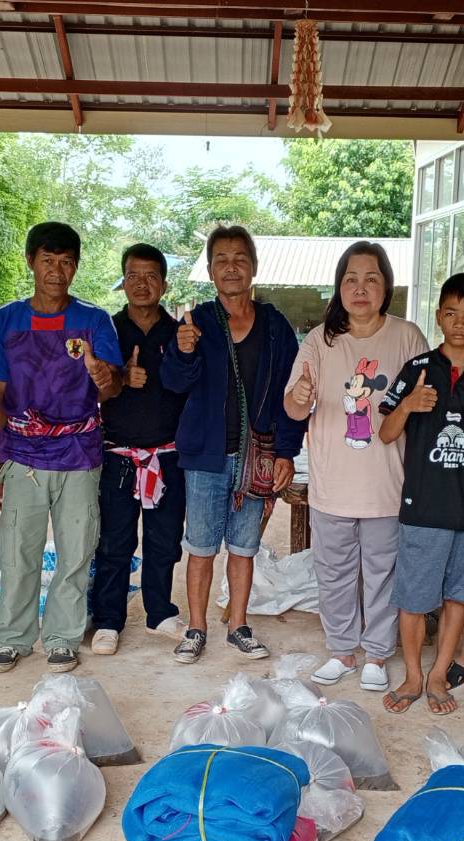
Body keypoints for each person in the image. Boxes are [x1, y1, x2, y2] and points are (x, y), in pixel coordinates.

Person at [283, 242, 428, 693]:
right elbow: (293, 406)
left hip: (386, 486)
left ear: (386, 287)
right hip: (333, 486)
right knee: (334, 573)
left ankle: (377, 655)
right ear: (339, 287)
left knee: (383, 573)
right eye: (351, 279)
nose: (360, 288)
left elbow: (427, 405)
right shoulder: (319, 340)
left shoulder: (407, 337)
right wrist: (300, 397)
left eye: (371, 279)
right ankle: (342, 651)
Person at [0, 221, 123, 675]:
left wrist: (104, 377)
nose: (56, 272)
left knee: (76, 549)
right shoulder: (7, 320)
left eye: (66, 262)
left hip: (79, 453)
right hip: (21, 455)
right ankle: (13, 637)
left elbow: (112, 387)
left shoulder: (94, 321)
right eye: (47, 261)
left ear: (76, 267)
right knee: (16, 552)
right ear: (31, 262)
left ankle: (62, 637)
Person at [163, 226, 304, 664]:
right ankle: (196, 629)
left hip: (254, 459)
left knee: (244, 548)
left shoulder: (276, 327)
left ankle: (238, 626)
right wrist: (183, 351)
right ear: (210, 271)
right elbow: (174, 383)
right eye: (221, 260)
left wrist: (286, 451)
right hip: (205, 457)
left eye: (240, 258)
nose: (231, 267)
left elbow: (290, 394)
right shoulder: (196, 322)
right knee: (201, 548)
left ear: (253, 267)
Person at [377, 272, 464, 715]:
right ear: (438, 316)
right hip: (423, 508)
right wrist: (407, 405)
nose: (459, 323)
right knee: (413, 599)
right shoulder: (418, 369)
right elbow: (385, 433)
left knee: (459, 595)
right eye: (451, 313)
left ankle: (438, 675)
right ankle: (412, 676)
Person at [89, 243, 189, 655]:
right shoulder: (106, 331)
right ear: (123, 282)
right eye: (133, 276)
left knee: (164, 540)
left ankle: (159, 612)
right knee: (114, 542)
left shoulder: (180, 333)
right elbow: (89, 391)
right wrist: (119, 377)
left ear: (164, 284)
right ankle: (108, 620)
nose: (142, 284)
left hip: (168, 456)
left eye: (151, 276)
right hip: (119, 457)